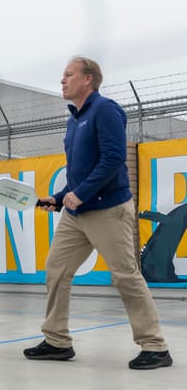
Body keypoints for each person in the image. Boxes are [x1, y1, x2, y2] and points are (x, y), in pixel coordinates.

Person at [23, 56, 172, 370]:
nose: (62, 80)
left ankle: (155, 347)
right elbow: (79, 172)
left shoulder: (105, 110)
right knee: (56, 270)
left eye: (68, 75)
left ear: (87, 78)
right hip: (76, 215)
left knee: (126, 276)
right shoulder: (74, 119)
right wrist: (62, 197)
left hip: (109, 210)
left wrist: (82, 193)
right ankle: (57, 341)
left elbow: (114, 158)